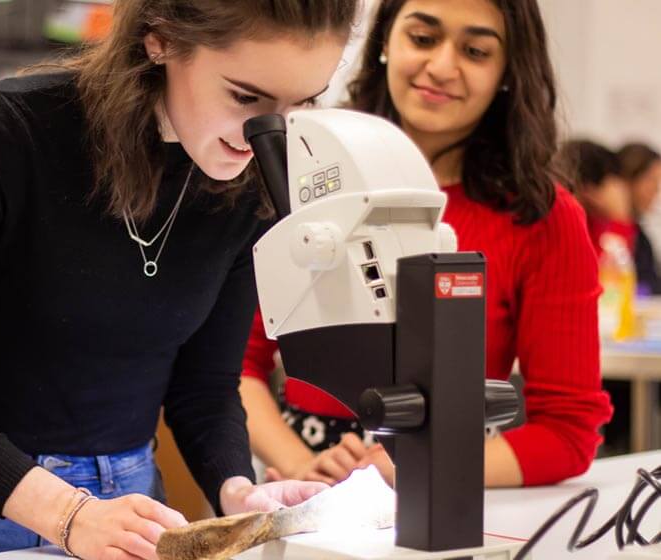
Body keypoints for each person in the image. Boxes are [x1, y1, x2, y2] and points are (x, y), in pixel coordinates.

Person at [0, 1, 360, 558]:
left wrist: (237, 489)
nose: (266, 136)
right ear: (160, 40)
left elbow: (204, 387)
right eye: (245, 97)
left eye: (302, 103)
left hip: (132, 505)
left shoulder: (252, 177)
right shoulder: (3, 132)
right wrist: (68, 514)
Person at [241, 0, 613, 489]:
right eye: (422, 38)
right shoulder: (299, 178)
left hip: (451, 488)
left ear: (507, 71)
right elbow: (235, 368)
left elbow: (567, 432)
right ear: (384, 45)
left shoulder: (544, 218)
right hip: (303, 486)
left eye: (476, 51)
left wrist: (422, 466)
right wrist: (300, 466)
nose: (441, 67)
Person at [618, 142, 661, 295]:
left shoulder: (639, 234)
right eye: (651, 180)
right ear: (628, 178)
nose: (655, 190)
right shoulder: (607, 230)